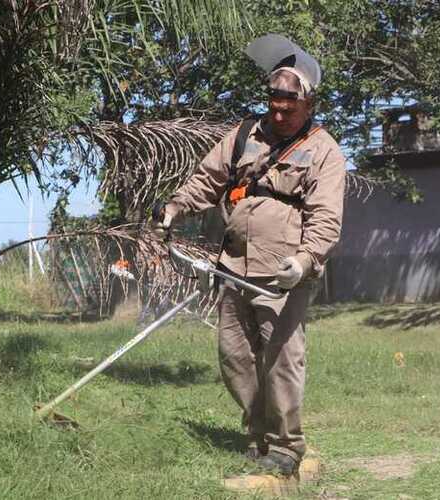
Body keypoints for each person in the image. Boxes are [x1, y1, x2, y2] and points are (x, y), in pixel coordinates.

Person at [157, 34, 346, 476]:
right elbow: (208, 179)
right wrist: (175, 207)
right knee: (235, 357)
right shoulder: (245, 134)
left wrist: (304, 261)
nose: (278, 115)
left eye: (288, 109)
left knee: (281, 359)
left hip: (283, 274)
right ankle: (258, 434)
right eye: (273, 106)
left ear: (309, 105)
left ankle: (286, 445)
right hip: (233, 265)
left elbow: (326, 219)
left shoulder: (325, 151)